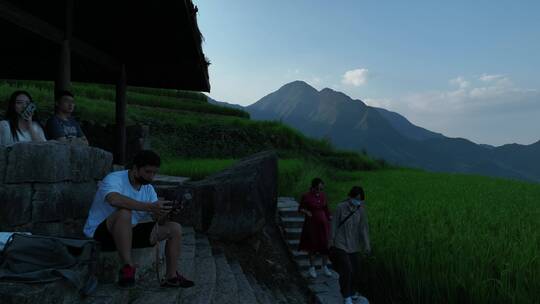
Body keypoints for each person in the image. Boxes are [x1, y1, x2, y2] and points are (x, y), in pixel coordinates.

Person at [83, 150, 194, 288]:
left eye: (154, 173)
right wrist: (148, 207)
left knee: (175, 228)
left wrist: (165, 212)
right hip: (102, 233)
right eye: (148, 172)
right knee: (124, 212)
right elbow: (113, 199)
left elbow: (156, 220)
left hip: (130, 232)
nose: (151, 177)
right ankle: (127, 268)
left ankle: (171, 276)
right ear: (135, 169)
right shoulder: (114, 178)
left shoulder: (148, 189)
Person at [329, 186, 371, 304]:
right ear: (350, 197)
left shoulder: (361, 209)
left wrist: (367, 245)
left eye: (360, 199)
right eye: (356, 198)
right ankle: (346, 295)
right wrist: (330, 242)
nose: (358, 201)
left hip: (354, 245)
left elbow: (363, 228)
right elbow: (333, 226)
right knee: (347, 269)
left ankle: (352, 292)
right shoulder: (340, 208)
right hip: (340, 244)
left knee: (356, 269)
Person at [298, 177, 332, 278]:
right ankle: (312, 267)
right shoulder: (306, 196)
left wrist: (330, 217)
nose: (319, 191)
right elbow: (300, 209)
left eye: (321, 189)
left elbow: (326, 209)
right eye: (317, 188)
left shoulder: (323, 196)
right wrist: (306, 211)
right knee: (312, 245)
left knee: (325, 245)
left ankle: (324, 266)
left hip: (323, 224)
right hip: (311, 224)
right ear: (313, 187)